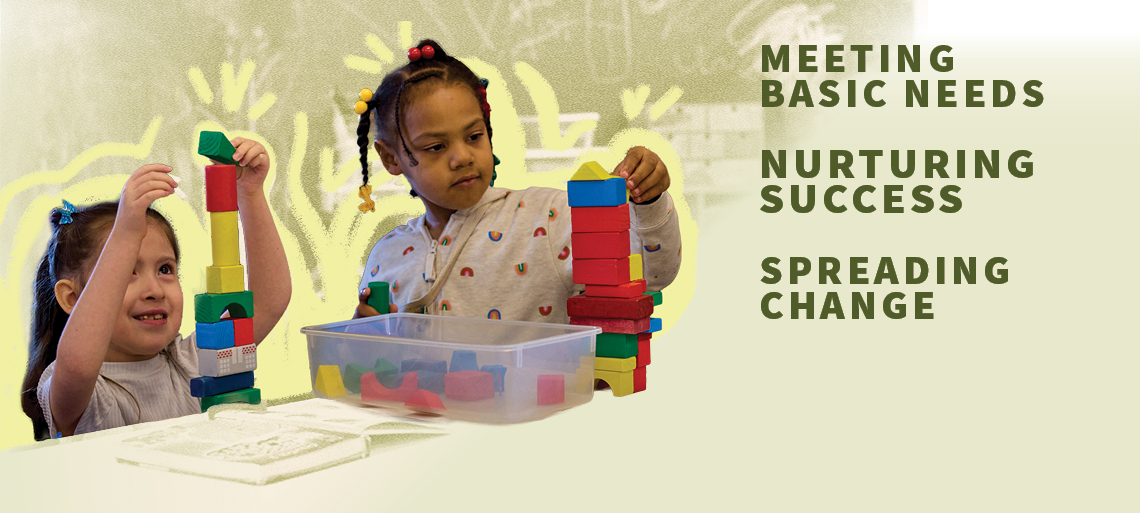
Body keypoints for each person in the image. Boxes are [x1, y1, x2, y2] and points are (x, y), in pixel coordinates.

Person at [353, 39, 680, 322]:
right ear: (391, 158)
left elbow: (649, 275)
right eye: (436, 146)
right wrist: (359, 335)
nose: (463, 157)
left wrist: (648, 203)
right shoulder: (386, 256)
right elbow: (380, 366)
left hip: (539, 396)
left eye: (474, 135)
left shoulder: (548, 218)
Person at [20, 139, 291, 440]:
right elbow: (78, 367)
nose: (154, 290)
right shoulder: (87, 389)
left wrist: (250, 193)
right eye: (126, 272)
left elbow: (268, 303)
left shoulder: (193, 360)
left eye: (165, 269)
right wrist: (124, 235)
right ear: (72, 298)